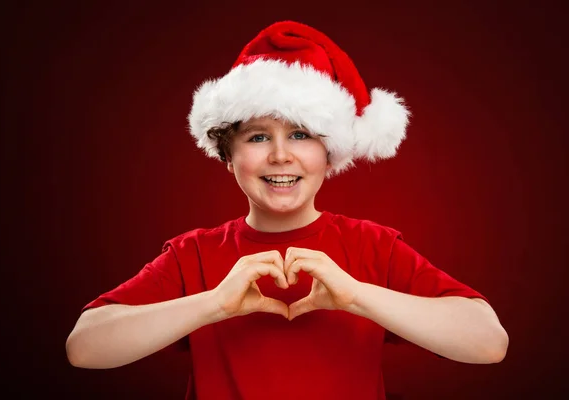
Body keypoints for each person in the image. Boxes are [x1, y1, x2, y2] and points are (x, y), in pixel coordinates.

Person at [66, 21, 508, 400]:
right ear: (227, 153)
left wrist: (356, 296)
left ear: (330, 150)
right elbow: (84, 347)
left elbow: (488, 342)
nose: (280, 155)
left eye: (301, 135)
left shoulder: (373, 247)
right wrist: (214, 305)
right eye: (258, 137)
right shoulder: (193, 255)